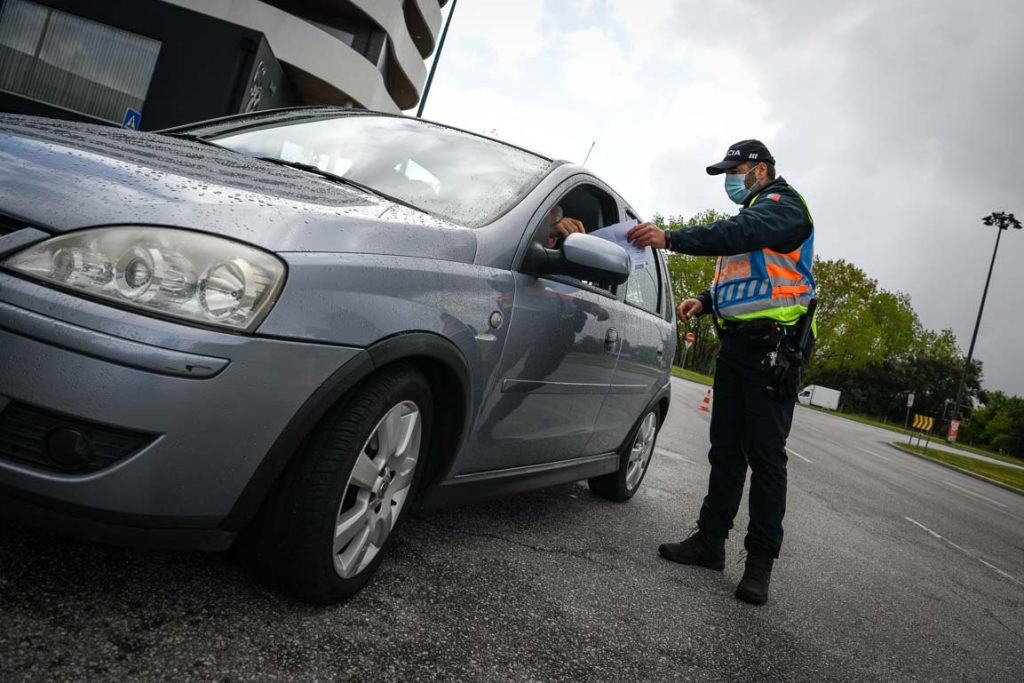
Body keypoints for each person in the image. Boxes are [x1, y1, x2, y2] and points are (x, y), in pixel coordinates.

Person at [626, 139, 815, 605]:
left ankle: (759, 564)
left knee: (767, 459)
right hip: (735, 347)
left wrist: (670, 238)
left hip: (773, 351)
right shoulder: (754, 212)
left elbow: (740, 235)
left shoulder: (784, 208)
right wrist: (708, 302)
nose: (731, 178)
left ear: (761, 169)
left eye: (736, 169)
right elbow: (745, 270)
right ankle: (710, 542)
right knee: (726, 451)